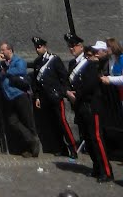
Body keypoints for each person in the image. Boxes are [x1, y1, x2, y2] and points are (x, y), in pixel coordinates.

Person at [67, 45, 114, 183]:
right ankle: (97, 167)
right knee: (88, 138)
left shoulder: (95, 67)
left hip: (93, 107)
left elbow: (90, 86)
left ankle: (106, 170)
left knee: (97, 139)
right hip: (83, 106)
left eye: (89, 54)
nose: (87, 57)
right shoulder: (87, 67)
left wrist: (77, 94)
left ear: (95, 55)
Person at [0, 41, 39, 156]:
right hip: (8, 96)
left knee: (27, 120)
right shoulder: (1, 63)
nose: (1, 52)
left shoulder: (18, 61)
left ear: (10, 50)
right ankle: (31, 139)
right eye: (0, 50)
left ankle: (33, 148)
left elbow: (20, 71)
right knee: (13, 122)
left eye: (3, 50)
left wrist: (5, 71)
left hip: (20, 94)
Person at [30, 36, 76, 157]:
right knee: (53, 124)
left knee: (62, 122)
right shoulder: (37, 62)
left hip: (55, 96)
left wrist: (62, 92)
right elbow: (36, 82)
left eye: (39, 47)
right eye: (36, 47)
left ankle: (73, 148)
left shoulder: (54, 59)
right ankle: (61, 147)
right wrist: (37, 97)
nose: (37, 49)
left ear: (45, 47)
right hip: (45, 98)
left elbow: (64, 76)